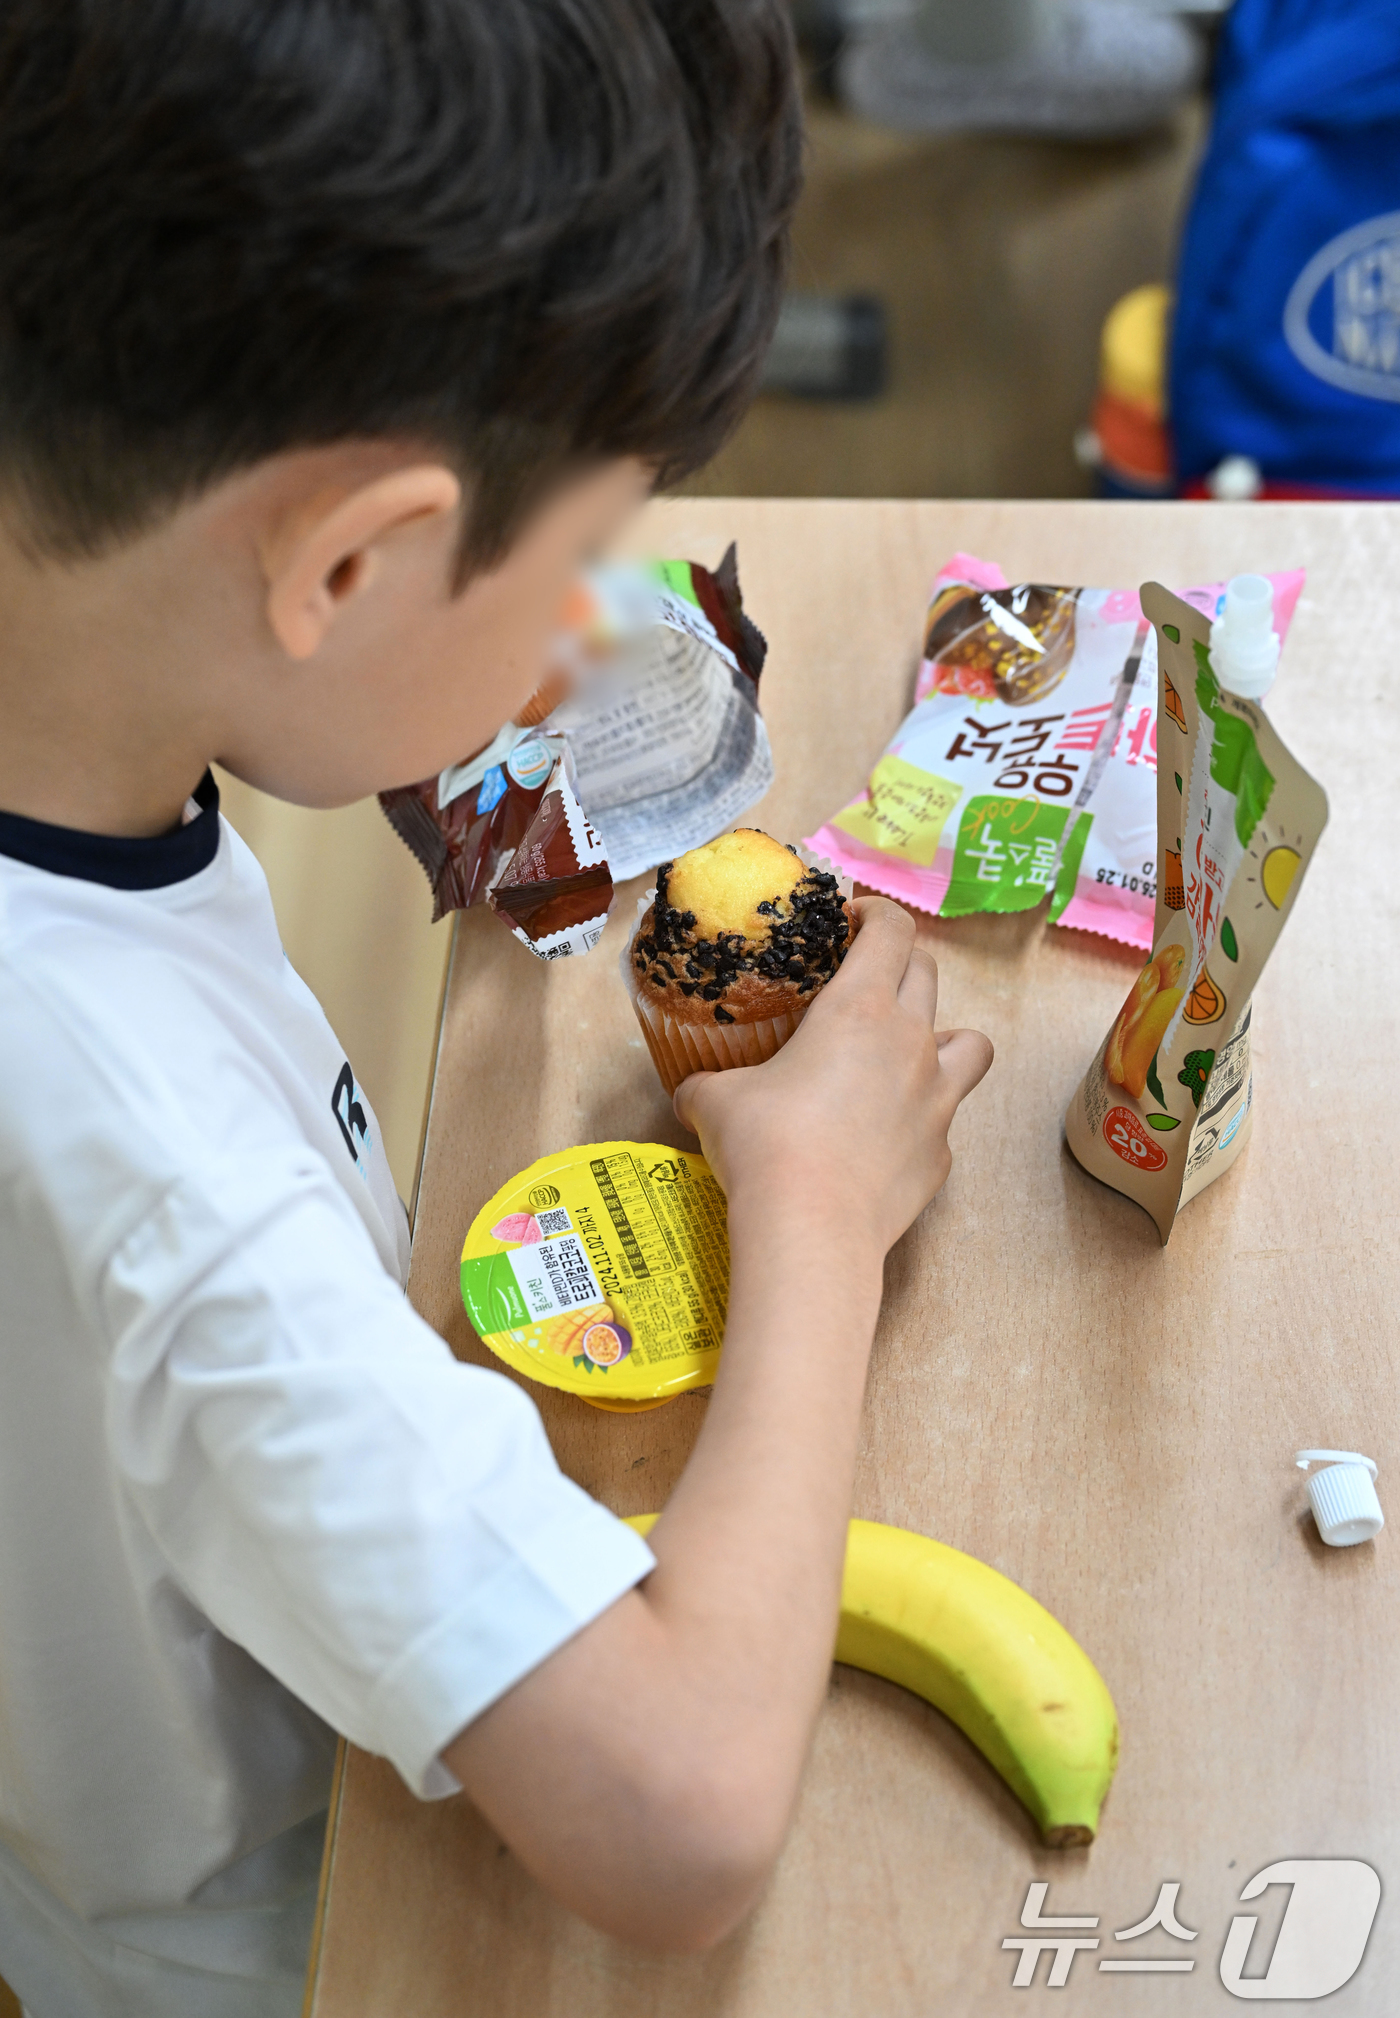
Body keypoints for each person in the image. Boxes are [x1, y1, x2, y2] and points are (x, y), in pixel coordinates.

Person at [0, 4, 993, 2014]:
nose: (582, 623)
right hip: (289, 1927)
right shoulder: (171, 1189)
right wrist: (809, 1208)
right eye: (567, 561)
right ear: (349, 560)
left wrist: (398, 691)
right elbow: (678, 1812)